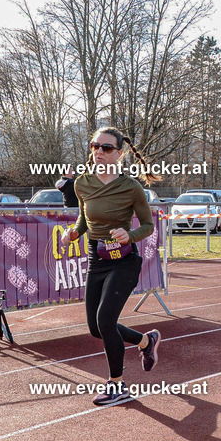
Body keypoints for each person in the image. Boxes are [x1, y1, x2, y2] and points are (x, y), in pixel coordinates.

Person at [60, 127, 162, 406]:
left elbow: (149, 226)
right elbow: (84, 220)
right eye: (95, 146)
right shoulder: (82, 183)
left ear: (119, 153)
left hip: (124, 260)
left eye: (106, 148)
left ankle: (117, 385)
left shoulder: (131, 187)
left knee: (105, 321)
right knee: (96, 328)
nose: (99, 152)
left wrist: (129, 235)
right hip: (97, 258)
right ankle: (145, 341)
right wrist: (72, 233)